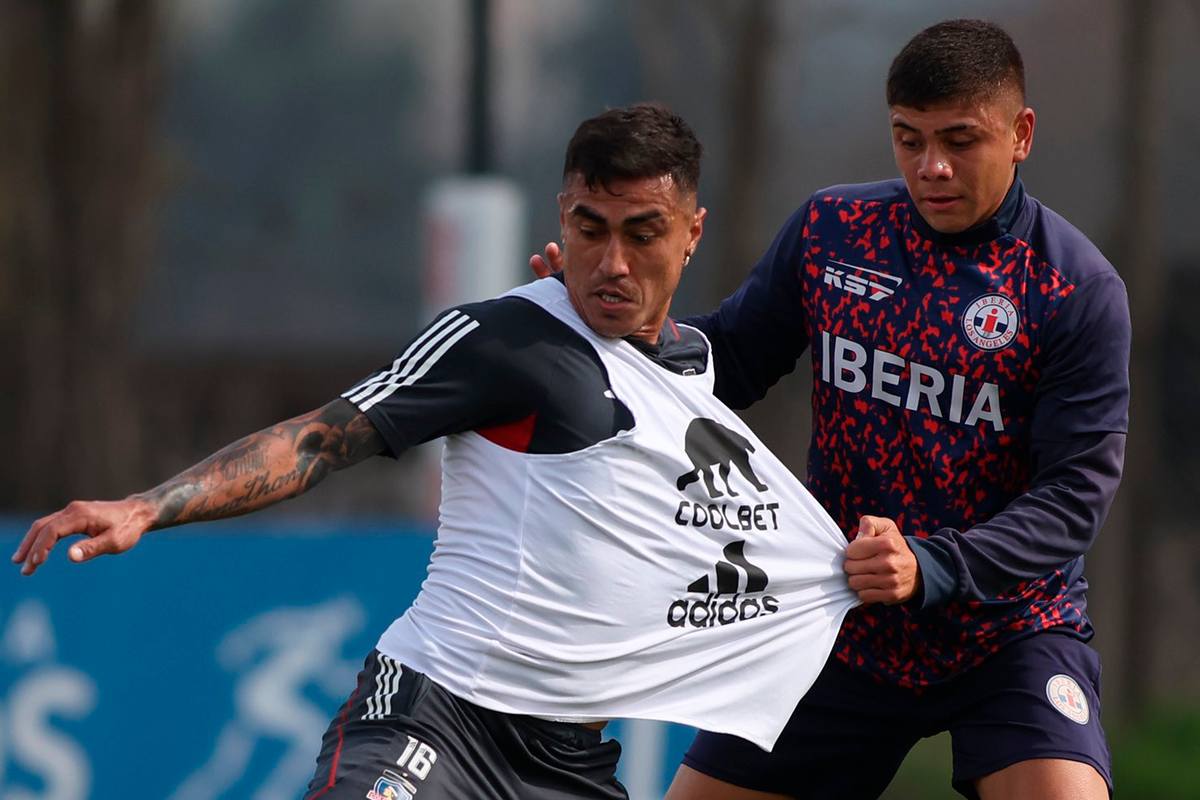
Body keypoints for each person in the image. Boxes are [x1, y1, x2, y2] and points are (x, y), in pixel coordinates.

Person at [13, 103, 860, 800]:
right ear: (560, 216)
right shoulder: (504, 339)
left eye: (643, 233)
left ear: (693, 233)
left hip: (572, 764)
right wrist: (147, 506)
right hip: (435, 721)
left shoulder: (692, 374)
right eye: (589, 227)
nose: (612, 261)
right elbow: (317, 438)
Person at [533, 17, 1129, 800]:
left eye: (960, 140)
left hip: (1008, 629)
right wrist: (613, 334)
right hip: (839, 616)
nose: (932, 166)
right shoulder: (834, 232)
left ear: (1020, 134)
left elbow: (1073, 498)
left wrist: (934, 563)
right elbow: (729, 361)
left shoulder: (1074, 289)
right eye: (908, 139)